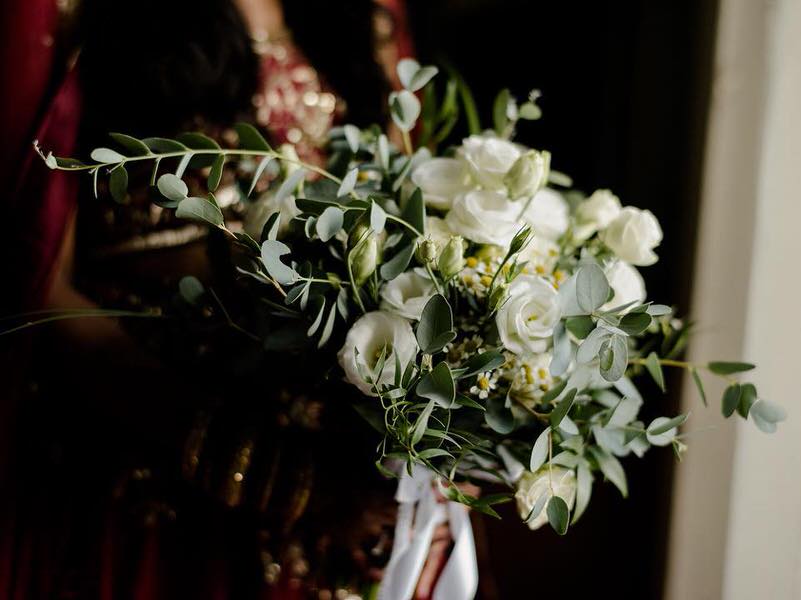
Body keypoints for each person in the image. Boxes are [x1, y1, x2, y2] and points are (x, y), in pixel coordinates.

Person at [0, 1, 464, 598]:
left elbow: (414, 248)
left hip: (334, 519)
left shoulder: (366, 21)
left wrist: (440, 453)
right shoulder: (71, 14)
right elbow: (34, 290)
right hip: (146, 494)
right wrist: (270, 473)